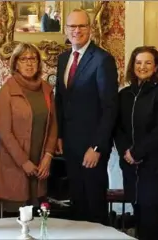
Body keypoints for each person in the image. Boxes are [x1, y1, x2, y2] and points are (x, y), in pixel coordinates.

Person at [55, 9, 119, 225]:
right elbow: (61, 101)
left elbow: (110, 107)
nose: (77, 30)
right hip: (70, 146)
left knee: (94, 206)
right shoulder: (63, 59)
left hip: (92, 148)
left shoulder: (103, 60)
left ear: (90, 29)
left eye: (82, 26)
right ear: (66, 30)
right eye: (72, 26)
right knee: (77, 205)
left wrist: (97, 147)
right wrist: (59, 136)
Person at [114, 46, 158, 239]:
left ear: (156, 66)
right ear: (132, 66)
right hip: (130, 166)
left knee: (151, 218)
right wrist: (126, 151)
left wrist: (137, 152)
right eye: (138, 62)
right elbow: (117, 128)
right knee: (138, 213)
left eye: (148, 62)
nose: (143, 66)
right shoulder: (124, 95)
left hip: (154, 165)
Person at [0, 43, 58, 212]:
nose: (29, 63)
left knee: (38, 221)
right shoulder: (7, 90)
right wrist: (24, 162)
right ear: (15, 63)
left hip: (40, 165)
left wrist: (48, 156)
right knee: (14, 223)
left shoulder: (46, 89)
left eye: (33, 59)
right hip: (16, 165)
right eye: (24, 59)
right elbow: (4, 132)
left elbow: (53, 126)